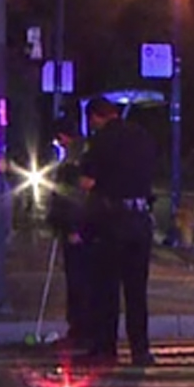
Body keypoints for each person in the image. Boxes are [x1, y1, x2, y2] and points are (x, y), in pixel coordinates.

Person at [76, 96, 158, 367]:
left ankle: (105, 348)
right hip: (141, 219)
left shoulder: (101, 140)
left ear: (96, 117)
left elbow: (87, 182)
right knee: (137, 291)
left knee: (106, 288)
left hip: (111, 221)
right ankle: (140, 350)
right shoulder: (143, 136)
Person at [43, 116, 92, 349]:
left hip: (77, 230)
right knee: (79, 280)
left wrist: (71, 227)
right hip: (78, 227)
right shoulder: (81, 156)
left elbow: (71, 197)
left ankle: (80, 329)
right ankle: (80, 328)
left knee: (78, 281)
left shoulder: (75, 161)